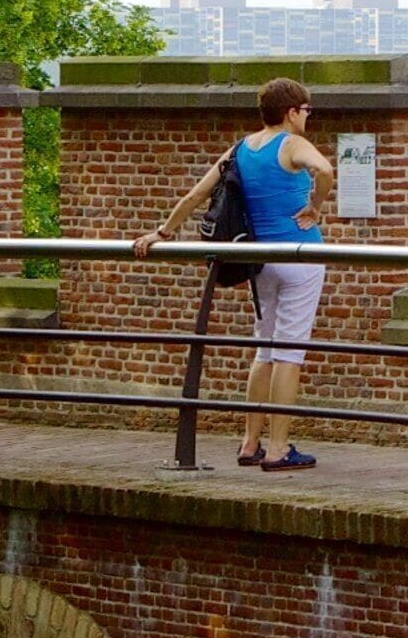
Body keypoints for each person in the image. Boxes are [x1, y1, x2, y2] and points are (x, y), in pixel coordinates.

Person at [134, 77, 335, 470]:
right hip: (300, 255)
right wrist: (316, 205)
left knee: (264, 350)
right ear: (291, 112)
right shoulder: (292, 143)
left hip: (258, 261)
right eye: (307, 111)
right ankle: (278, 449)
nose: (308, 117)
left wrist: (162, 232)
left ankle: (249, 442)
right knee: (289, 353)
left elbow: (196, 195)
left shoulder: (241, 148)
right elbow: (324, 169)